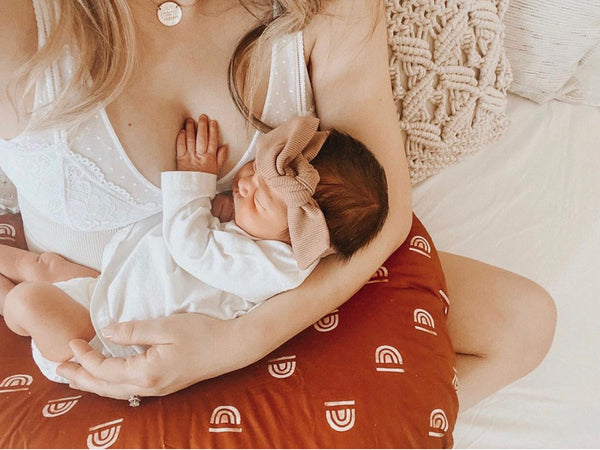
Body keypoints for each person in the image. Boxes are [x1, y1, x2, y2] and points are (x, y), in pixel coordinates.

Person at [0, 0, 555, 412]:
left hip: (251, 297)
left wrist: (240, 341)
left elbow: (384, 209)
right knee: (33, 300)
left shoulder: (330, 9)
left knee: (521, 322)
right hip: (104, 299)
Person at [2, 113, 389, 384]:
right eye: (257, 167)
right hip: (109, 289)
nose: (245, 183)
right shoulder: (265, 235)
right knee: (45, 264)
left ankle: (10, 306)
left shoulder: (274, 269)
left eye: (260, 200)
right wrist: (235, 210)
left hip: (106, 343)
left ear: (302, 238)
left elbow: (192, 247)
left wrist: (195, 181)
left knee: (28, 302)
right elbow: (231, 231)